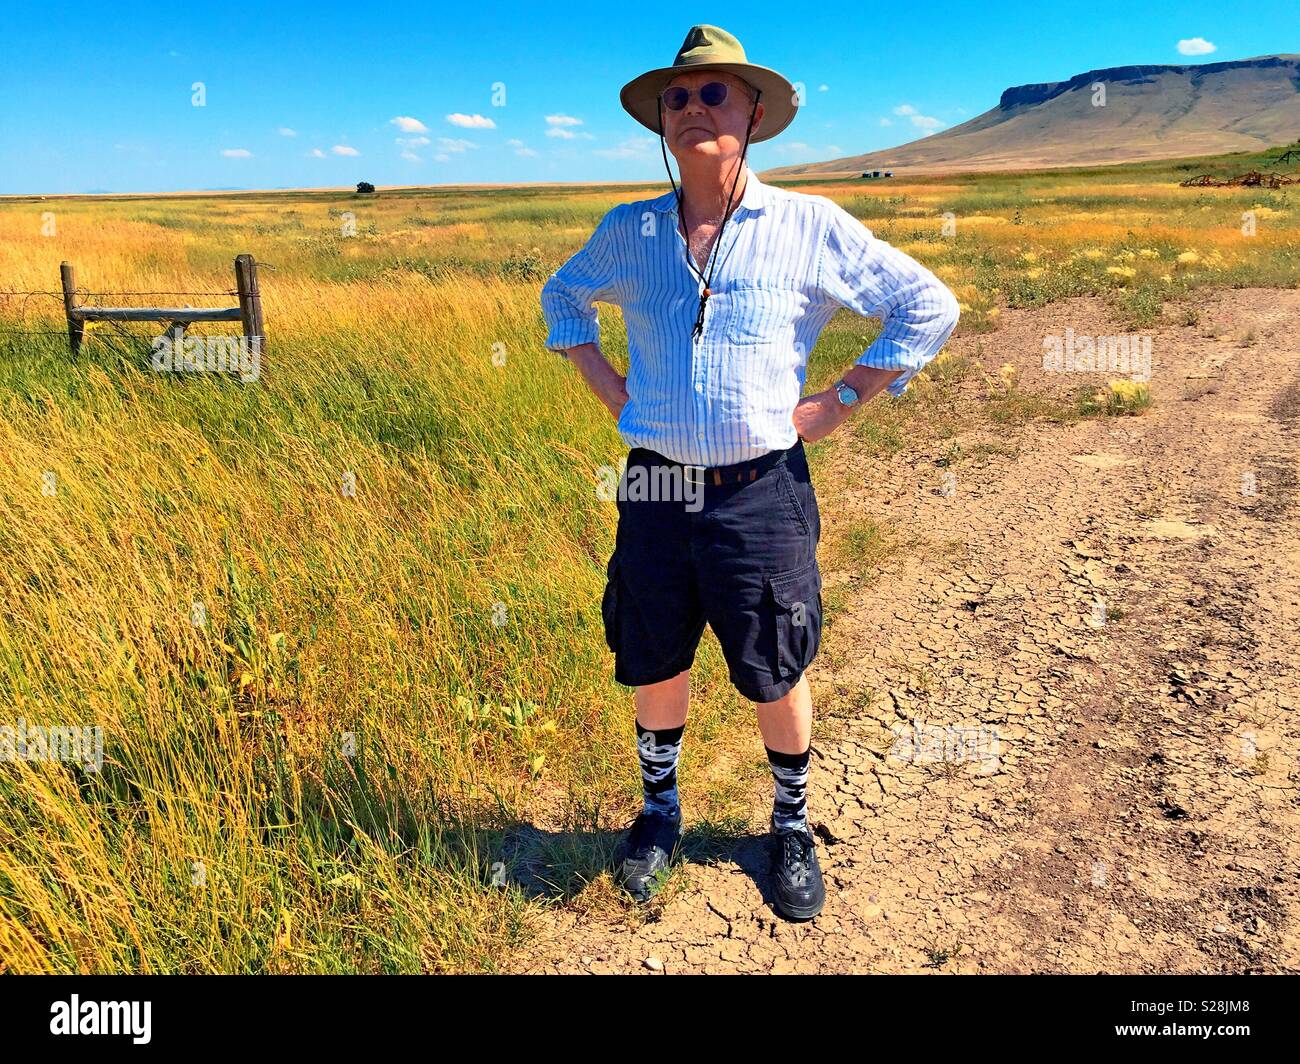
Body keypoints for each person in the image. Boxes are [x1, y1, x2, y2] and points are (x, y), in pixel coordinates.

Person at [540, 24, 960, 921]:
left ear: (754, 113)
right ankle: (659, 815)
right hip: (655, 484)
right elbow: (561, 296)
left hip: (760, 489)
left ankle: (792, 826)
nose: (693, 109)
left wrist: (839, 402)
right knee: (652, 646)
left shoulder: (806, 225)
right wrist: (611, 391)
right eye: (678, 98)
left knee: (774, 659)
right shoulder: (630, 230)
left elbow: (927, 305)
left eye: (714, 94)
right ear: (662, 120)